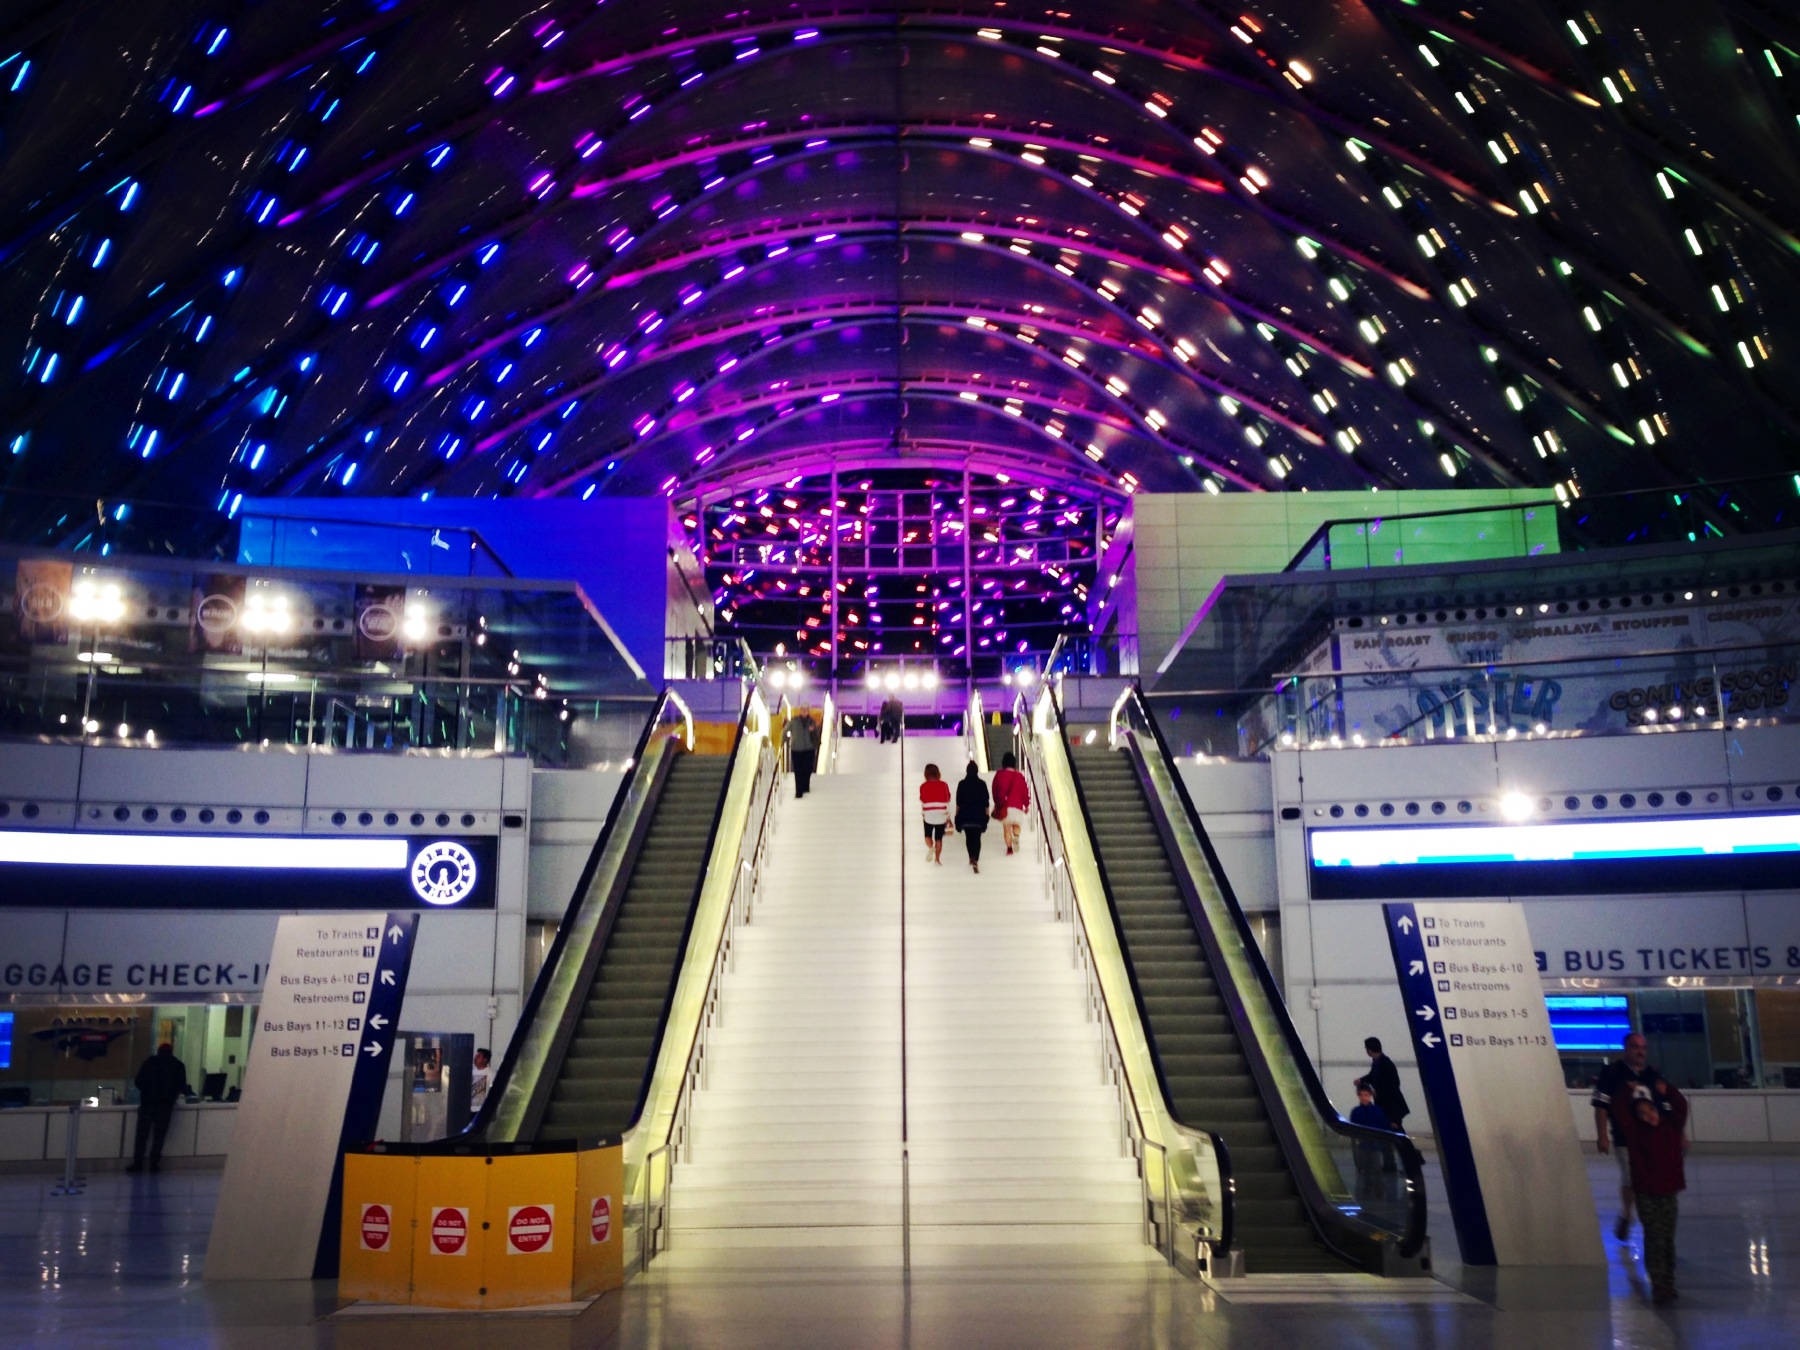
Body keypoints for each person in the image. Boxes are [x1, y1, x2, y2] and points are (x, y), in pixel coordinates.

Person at [1612, 1077, 1689, 1304]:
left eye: (1650, 1110)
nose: (1648, 1116)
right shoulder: (1636, 1134)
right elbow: (1618, 1110)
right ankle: (1658, 1284)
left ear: (1656, 1109)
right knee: (1654, 1237)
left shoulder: (1671, 1126)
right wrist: (1628, 1089)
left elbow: (1681, 1107)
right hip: (1647, 1194)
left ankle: (1669, 1281)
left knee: (1667, 1238)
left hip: (1669, 1193)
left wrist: (1669, 1090)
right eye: (1642, 1113)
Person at [1592, 1030, 1672, 1241]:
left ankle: (1637, 1217)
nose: (1640, 1052)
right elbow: (1601, 1105)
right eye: (1635, 1047)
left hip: (1651, 1140)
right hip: (1625, 1138)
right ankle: (1631, 1215)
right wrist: (1602, 1135)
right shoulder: (1612, 1073)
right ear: (1626, 1049)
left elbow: (1663, 1108)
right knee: (1633, 1178)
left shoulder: (1652, 1076)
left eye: (1643, 1048)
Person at [126, 1042, 188, 1174]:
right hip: (165, 1106)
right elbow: (181, 1085)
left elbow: (138, 1081)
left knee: (142, 1136)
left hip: (147, 1104)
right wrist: (171, 1096)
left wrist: (147, 1092)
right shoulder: (178, 1065)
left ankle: (138, 1163)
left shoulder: (149, 1063)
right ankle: (154, 1164)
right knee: (159, 1136)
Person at [1354, 1036, 1409, 1171]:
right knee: (1389, 1136)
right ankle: (1391, 1164)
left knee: (1397, 1135)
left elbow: (1392, 1086)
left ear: (1369, 1050)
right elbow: (1373, 1077)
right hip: (1386, 1107)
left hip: (1392, 1107)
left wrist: (1392, 1116)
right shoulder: (1378, 1062)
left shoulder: (1385, 1064)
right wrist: (1362, 1080)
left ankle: (1410, 1160)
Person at [1348, 1084, 1390, 1199]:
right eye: (1361, 1095)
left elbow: (1383, 1126)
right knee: (1365, 1167)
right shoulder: (1356, 1111)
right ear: (1358, 1096)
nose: (1363, 1097)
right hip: (1363, 1144)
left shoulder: (1377, 1111)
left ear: (1370, 1096)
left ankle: (1378, 1188)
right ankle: (1368, 1187)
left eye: (1366, 1095)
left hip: (1375, 1143)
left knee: (1376, 1167)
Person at [990, 751, 1030, 855]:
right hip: (1017, 806)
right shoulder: (1020, 776)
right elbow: (1024, 791)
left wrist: (997, 802)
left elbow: (994, 789)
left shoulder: (999, 775)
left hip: (1005, 806)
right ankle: (1016, 837)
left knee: (1006, 828)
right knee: (1016, 825)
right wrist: (1026, 804)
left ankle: (1009, 848)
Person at [954, 761, 990, 872]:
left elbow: (958, 803)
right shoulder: (982, 784)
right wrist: (986, 815)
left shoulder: (961, 784)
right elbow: (986, 802)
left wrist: (957, 817)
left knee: (969, 837)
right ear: (977, 771)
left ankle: (971, 857)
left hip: (965, 816)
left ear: (967, 771)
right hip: (978, 816)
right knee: (977, 838)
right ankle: (976, 859)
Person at [919, 763, 951, 865]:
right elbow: (948, 798)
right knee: (939, 837)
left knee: (927, 835)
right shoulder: (944, 785)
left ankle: (930, 847)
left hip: (928, 815)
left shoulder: (923, 786)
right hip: (941, 815)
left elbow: (922, 799)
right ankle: (937, 859)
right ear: (938, 773)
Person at [785, 706, 819, 798]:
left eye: (806, 710)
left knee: (807, 768)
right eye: (803, 710)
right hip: (796, 749)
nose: (804, 712)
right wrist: (783, 742)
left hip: (809, 748)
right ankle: (799, 791)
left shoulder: (812, 721)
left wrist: (813, 731)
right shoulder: (794, 721)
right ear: (800, 711)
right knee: (798, 770)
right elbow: (785, 731)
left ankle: (805, 786)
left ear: (808, 711)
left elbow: (817, 734)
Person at [470, 1046, 491, 1114]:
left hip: (482, 1110)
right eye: (475, 1056)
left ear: (485, 1059)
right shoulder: (470, 1072)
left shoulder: (491, 1074)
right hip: (469, 1110)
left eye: (478, 1057)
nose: (475, 1058)